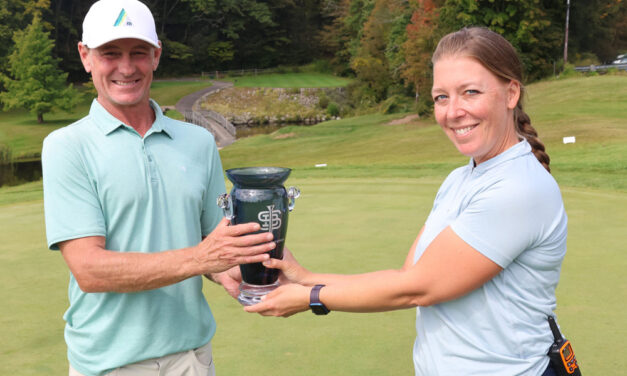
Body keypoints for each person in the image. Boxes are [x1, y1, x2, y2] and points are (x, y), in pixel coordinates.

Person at [246, 27, 569, 376]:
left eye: (470, 92)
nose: (453, 111)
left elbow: (416, 290)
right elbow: (408, 276)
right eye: (441, 97)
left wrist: (311, 297)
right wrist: (306, 278)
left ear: (511, 93)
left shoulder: (518, 187)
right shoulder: (460, 179)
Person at [41, 1, 275, 375]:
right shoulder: (67, 146)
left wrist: (239, 274)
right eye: (110, 54)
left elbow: (216, 246)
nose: (127, 67)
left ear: (157, 55)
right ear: (85, 56)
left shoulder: (198, 142)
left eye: (139, 53)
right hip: (109, 364)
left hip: (192, 357)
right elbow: (90, 269)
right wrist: (202, 259)